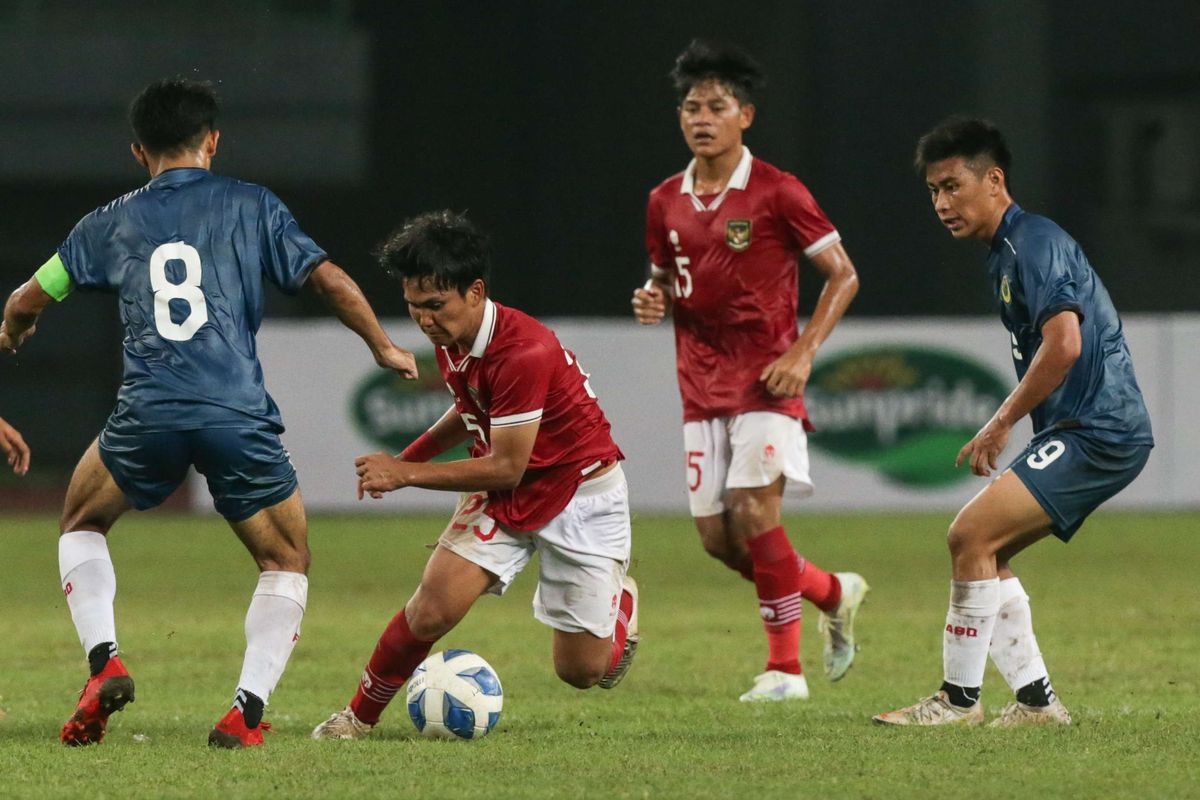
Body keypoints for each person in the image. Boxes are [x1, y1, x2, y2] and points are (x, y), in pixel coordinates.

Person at [0, 78, 417, 747]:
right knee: (287, 558)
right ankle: (245, 711)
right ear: (213, 141)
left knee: (81, 519)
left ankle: (104, 662)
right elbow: (329, 280)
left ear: (139, 152)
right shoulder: (252, 207)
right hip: (235, 412)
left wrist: (14, 332)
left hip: (149, 412)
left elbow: (30, 295)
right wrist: (384, 344)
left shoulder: (107, 221)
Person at [311, 210, 637, 740]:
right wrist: (408, 456)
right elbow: (469, 413)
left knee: (581, 673)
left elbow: (508, 465)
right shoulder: (452, 333)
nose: (423, 320)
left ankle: (621, 603)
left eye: (435, 306)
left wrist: (406, 473)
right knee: (431, 608)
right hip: (506, 486)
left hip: (581, 493)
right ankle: (357, 718)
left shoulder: (522, 352)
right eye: (413, 306)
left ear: (476, 290)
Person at [873, 117, 1153, 727]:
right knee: (986, 551)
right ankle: (1035, 705)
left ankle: (957, 701)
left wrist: (1001, 422)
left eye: (952, 186)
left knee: (967, 535)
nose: (942, 203)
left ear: (993, 179)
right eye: (933, 192)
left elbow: (1065, 344)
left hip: (1100, 430)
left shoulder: (1035, 242)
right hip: (1085, 430)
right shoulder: (1005, 252)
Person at [631, 39, 867, 701]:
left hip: (767, 379)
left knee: (754, 511)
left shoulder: (777, 191)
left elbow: (844, 275)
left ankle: (784, 672)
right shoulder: (663, 200)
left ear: (746, 116)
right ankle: (831, 591)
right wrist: (653, 298)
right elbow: (665, 276)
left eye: (715, 106)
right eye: (689, 107)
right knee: (719, 539)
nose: (700, 117)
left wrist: (803, 352)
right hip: (698, 386)